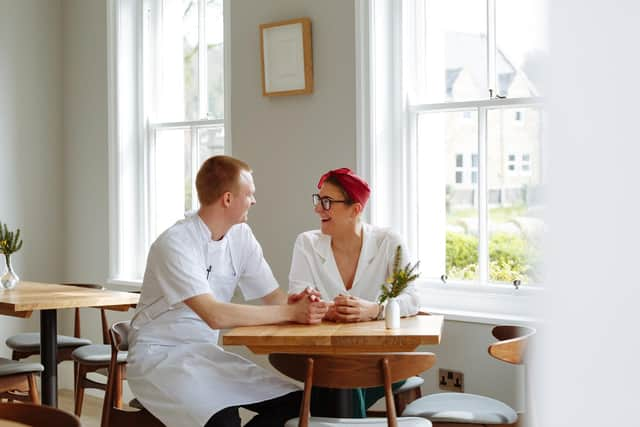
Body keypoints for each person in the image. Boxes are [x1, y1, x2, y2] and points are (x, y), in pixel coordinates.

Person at [127, 155, 329, 427]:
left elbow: (274, 298)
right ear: (227, 199)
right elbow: (214, 315)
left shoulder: (241, 236)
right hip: (159, 358)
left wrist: (302, 303)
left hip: (205, 356)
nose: (254, 201)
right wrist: (291, 311)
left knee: (300, 404)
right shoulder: (174, 243)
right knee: (223, 421)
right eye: (250, 194)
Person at [288, 167, 420, 417]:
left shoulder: (388, 242)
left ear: (355, 208)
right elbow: (297, 295)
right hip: (325, 357)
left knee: (336, 384)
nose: (318, 209)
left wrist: (374, 310)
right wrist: (327, 308)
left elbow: (412, 299)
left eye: (327, 202)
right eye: (318, 200)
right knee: (338, 379)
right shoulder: (306, 243)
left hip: (383, 359)